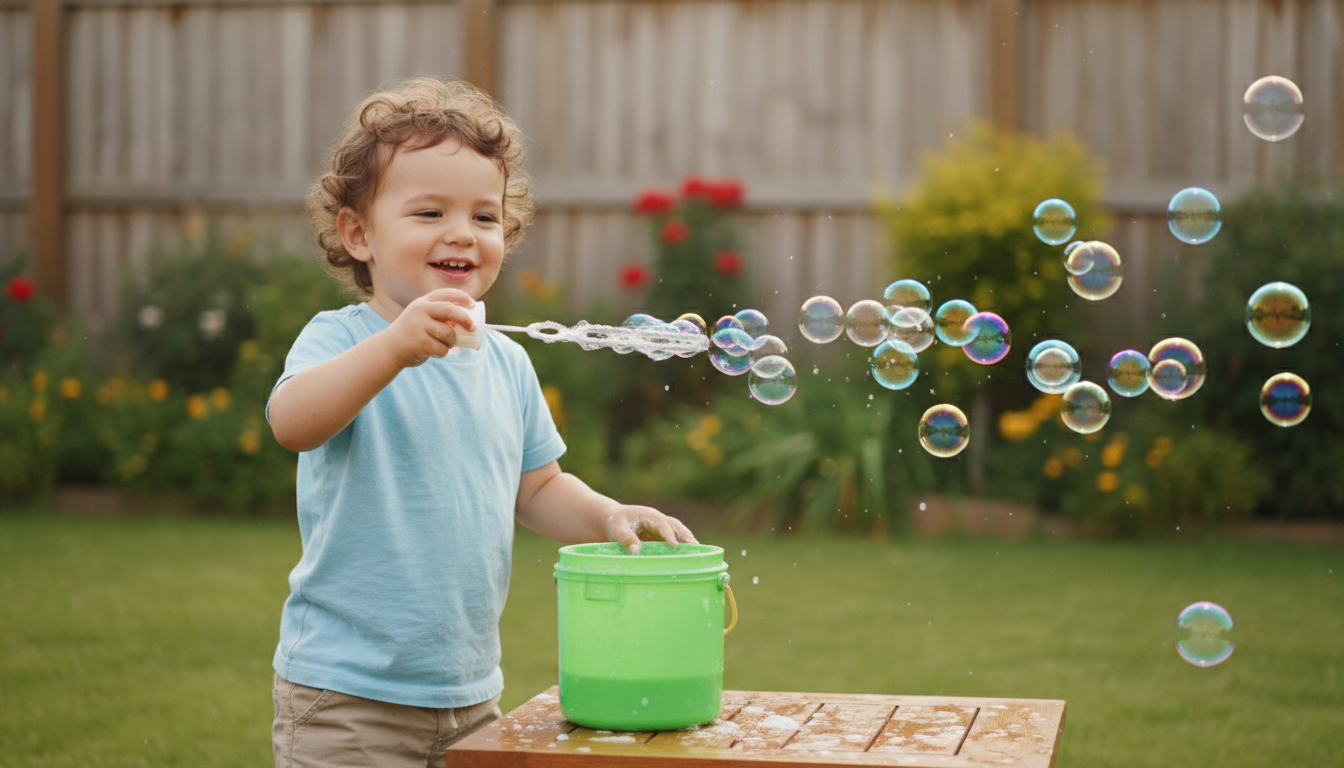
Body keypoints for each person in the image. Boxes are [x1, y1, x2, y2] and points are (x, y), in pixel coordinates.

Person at [266, 77, 697, 768]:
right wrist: (395, 348)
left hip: (467, 694)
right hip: (348, 696)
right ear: (358, 234)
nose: (461, 234)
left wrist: (607, 513)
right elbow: (293, 422)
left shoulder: (507, 363)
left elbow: (536, 488)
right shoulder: (345, 340)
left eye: (485, 218)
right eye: (429, 213)